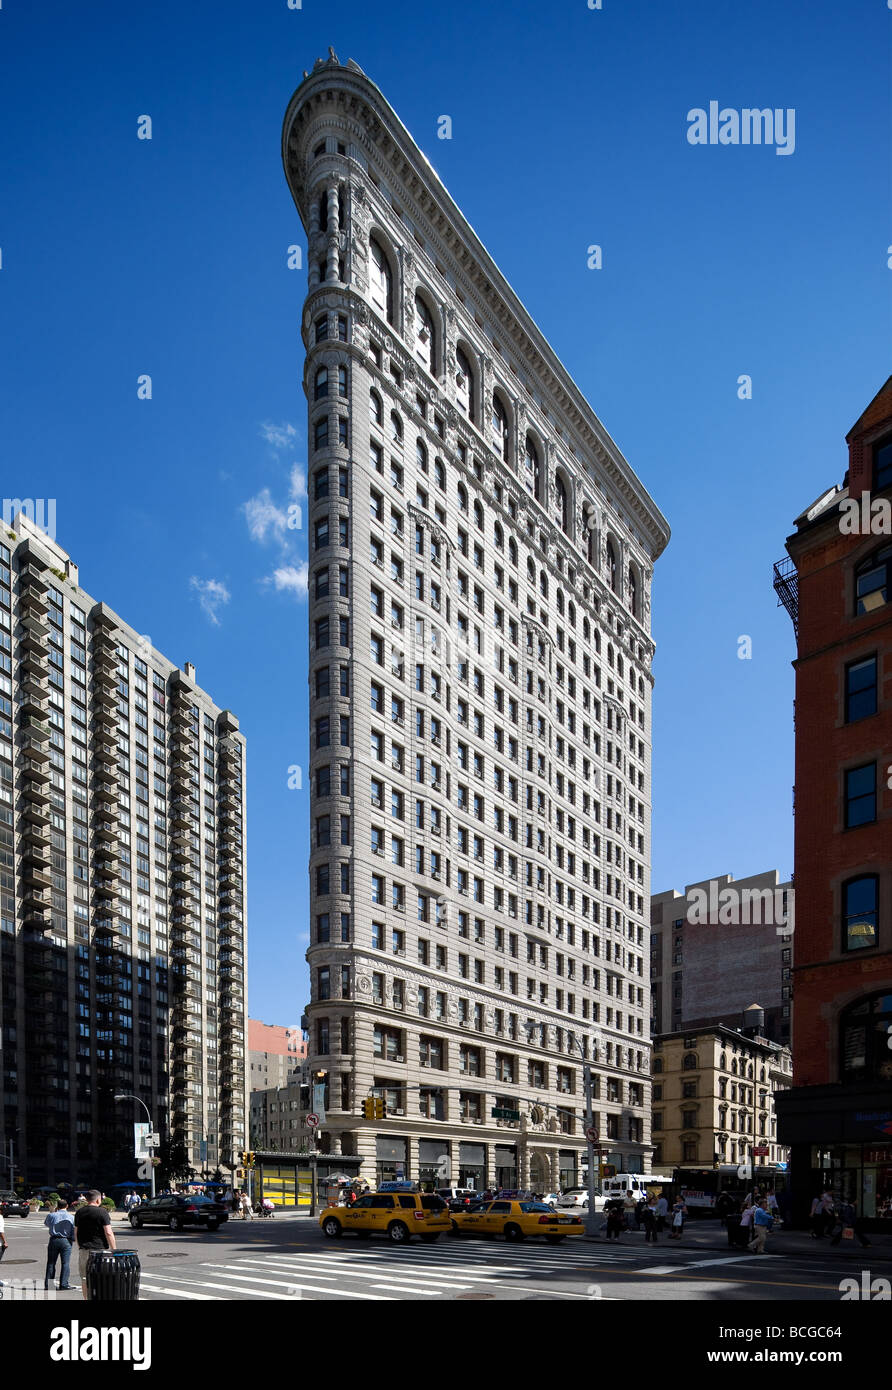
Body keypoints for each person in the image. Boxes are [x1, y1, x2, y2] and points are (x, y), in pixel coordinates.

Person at [74, 1190, 116, 1301]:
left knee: (84, 1278)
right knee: (101, 1277)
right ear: (98, 1199)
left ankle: (86, 1298)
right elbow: (108, 1232)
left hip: (84, 1250)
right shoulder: (102, 1212)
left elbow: (76, 1232)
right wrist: (114, 1249)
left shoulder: (79, 1212)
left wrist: (80, 1246)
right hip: (100, 1251)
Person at [44, 1199, 75, 1291]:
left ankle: (49, 1285)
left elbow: (47, 1224)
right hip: (66, 1240)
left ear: (57, 1206)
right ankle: (64, 1284)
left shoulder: (51, 1215)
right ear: (67, 1206)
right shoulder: (71, 1217)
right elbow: (73, 1230)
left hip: (54, 1239)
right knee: (65, 1263)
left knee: (51, 1263)